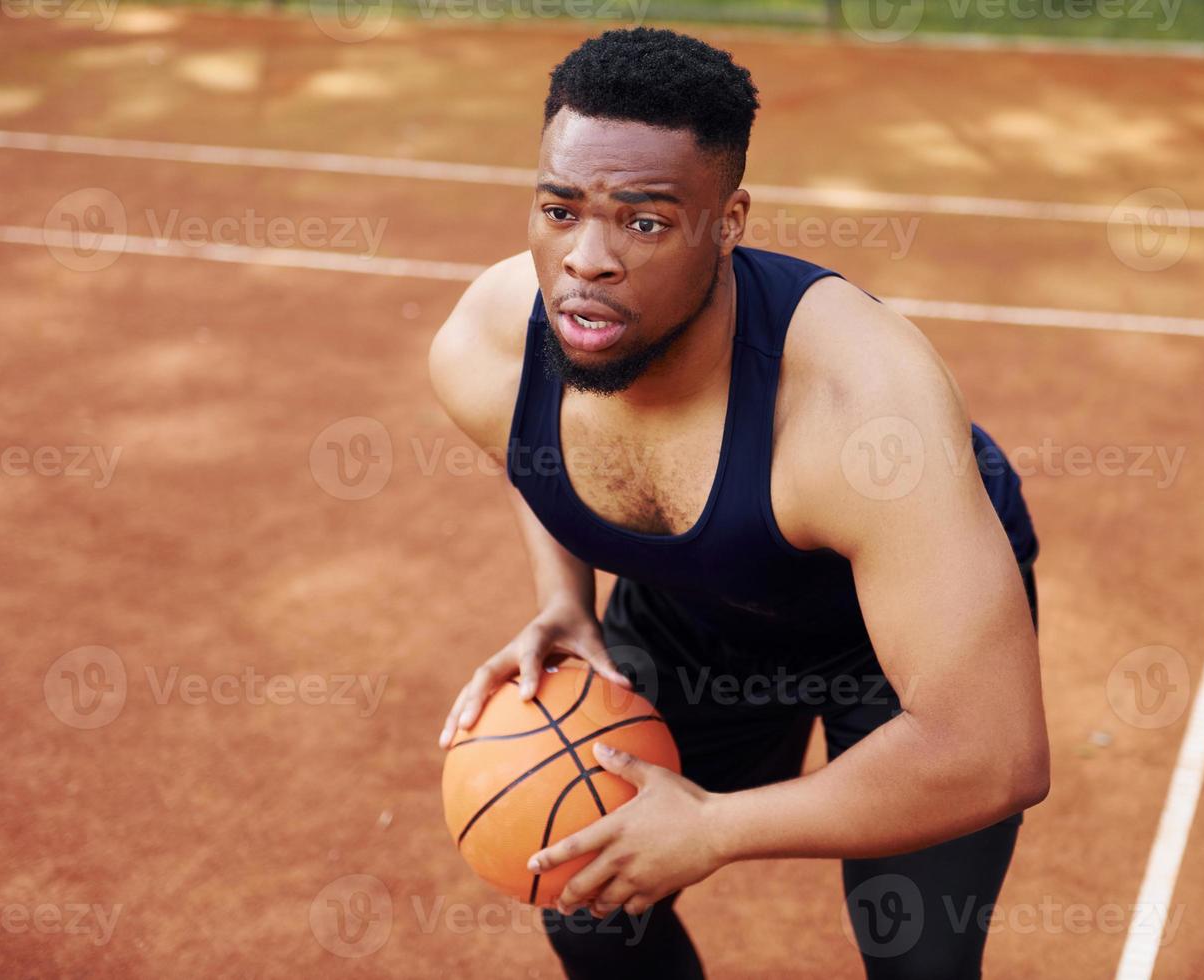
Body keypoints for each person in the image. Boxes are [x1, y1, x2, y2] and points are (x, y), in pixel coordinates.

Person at [429, 27, 1048, 980]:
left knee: (919, 957)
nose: (585, 260)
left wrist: (717, 826)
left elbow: (994, 750)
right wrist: (566, 599)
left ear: (729, 220)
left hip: (884, 640)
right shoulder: (493, 348)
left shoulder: (862, 411)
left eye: (644, 221)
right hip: (698, 614)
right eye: (559, 210)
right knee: (592, 895)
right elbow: (532, 456)